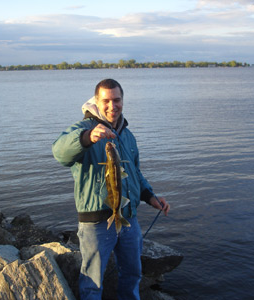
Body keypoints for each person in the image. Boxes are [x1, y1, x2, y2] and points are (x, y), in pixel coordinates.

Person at [52, 78, 170, 300]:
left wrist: (150, 197)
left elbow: (134, 173)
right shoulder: (82, 128)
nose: (112, 106)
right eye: (106, 101)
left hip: (128, 219)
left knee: (133, 274)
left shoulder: (127, 135)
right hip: (96, 223)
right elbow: (60, 153)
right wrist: (87, 138)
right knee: (92, 282)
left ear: (123, 100)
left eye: (117, 100)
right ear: (96, 101)